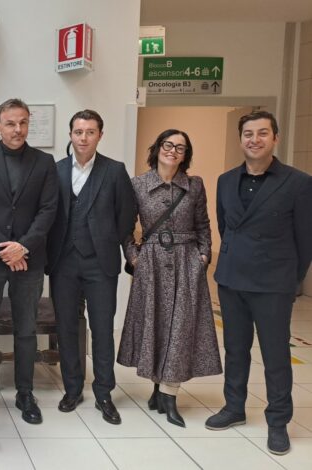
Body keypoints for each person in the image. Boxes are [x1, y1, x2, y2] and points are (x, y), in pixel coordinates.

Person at [206, 111, 312, 455]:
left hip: (273, 283)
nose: (255, 140)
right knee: (235, 349)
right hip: (231, 278)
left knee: (276, 354)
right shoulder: (226, 180)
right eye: (248, 134)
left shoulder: (298, 182)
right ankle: (234, 407)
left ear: (275, 138)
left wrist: (290, 280)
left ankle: (278, 421)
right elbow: (226, 226)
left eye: (262, 133)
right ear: (241, 140)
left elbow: (305, 240)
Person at [117, 129, 222, 428]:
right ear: (157, 148)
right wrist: (134, 258)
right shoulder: (137, 184)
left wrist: (203, 256)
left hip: (187, 263)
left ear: (186, 155)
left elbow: (203, 225)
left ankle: (169, 395)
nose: (173, 151)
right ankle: (157, 389)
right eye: (168, 144)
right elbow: (126, 227)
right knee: (157, 325)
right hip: (151, 263)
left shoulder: (194, 185)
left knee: (181, 330)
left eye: (180, 147)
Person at [0, 98, 59, 424]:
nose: (17, 129)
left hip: (29, 260)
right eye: (10, 123)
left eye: (23, 123)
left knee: (26, 329)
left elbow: (48, 210)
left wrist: (23, 247)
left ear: (28, 123)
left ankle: (25, 393)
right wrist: (5, 249)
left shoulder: (44, 162)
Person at [46, 109, 136, 425]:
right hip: (63, 262)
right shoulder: (55, 170)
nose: (83, 138)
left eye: (90, 132)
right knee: (67, 327)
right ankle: (72, 389)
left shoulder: (115, 171)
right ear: (70, 134)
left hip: (101, 263)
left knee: (102, 329)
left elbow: (127, 215)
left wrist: (107, 240)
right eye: (78, 132)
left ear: (100, 135)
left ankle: (104, 393)